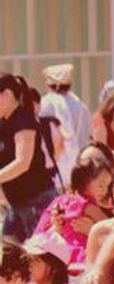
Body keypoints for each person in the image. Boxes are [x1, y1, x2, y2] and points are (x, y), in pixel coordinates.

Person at [32, 142, 114, 266]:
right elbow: (37, 239)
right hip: (67, 258)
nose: (104, 190)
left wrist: (93, 232)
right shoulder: (64, 202)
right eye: (87, 162)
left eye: (99, 161)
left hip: (90, 257)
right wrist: (56, 229)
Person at [0, 74, 58, 241]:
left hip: (37, 202)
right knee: (10, 256)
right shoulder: (5, 123)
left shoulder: (23, 120)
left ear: (7, 94)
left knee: (41, 254)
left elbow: (22, 162)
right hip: (17, 205)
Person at [38, 63, 92, 185]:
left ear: (48, 84)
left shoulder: (46, 103)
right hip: (80, 162)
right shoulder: (80, 104)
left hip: (56, 165)